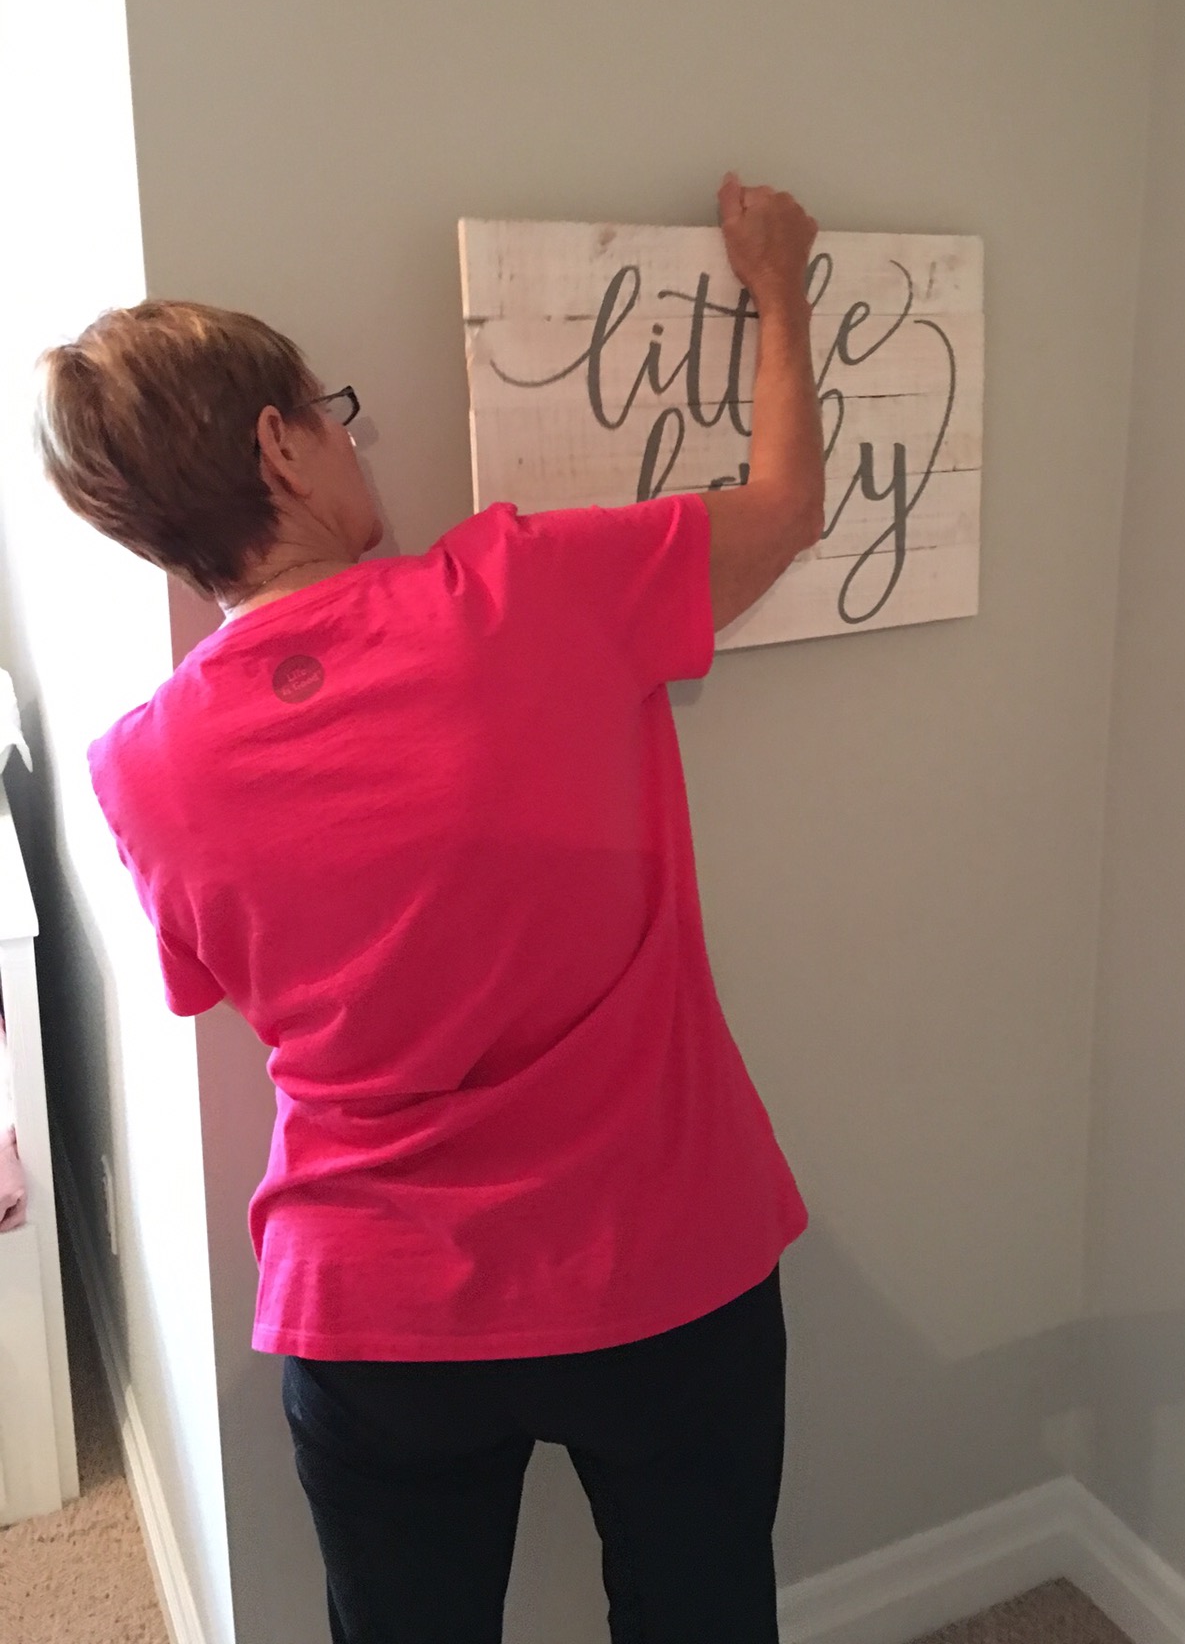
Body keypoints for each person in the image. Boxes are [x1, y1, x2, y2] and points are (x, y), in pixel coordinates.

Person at [36, 173, 825, 1644]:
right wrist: (778, 284)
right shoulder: (525, 587)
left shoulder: (139, 765)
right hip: (659, 1258)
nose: (353, 439)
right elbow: (785, 513)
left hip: (371, 1309)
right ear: (279, 443)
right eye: (333, 414)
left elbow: (226, 987)